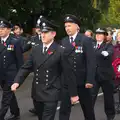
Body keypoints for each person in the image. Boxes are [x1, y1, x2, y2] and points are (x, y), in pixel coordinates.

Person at [11, 17, 74, 120]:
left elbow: (68, 74)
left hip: (52, 92)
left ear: (53, 34)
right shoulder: (36, 49)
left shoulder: (60, 51)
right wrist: (17, 81)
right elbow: (26, 68)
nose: (42, 35)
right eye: (41, 32)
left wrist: (73, 94)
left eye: (46, 32)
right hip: (37, 92)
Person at [59, 14, 96, 120]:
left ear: (77, 27)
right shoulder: (64, 41)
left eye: (69, 26)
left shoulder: (85, 40)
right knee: (64, 111)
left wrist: (89, 80)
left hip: (82, 82)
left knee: (88, 110)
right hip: (67, 83)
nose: (67, 28)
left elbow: (91, 62)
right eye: (65, 26)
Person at [0, 17, 24, 120]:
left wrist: (19, 77)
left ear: (9, 30)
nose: (0, 30)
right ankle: (15, 112)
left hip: (11, 75)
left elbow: (20, 61)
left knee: (5, 98)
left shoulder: (15, 42)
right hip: (1, 74)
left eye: (3, 28)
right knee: (10, 95)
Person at [92, 28, 115, 120]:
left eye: (100, 34)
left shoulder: (108, 46)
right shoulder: (92, 45)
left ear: (105, 36)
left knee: (108, 97)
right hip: (94, 76)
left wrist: (107, 53)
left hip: (106, 76)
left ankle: (110, 116)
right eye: (97, 33)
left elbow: (110, 52)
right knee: (91, 97)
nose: (98, 35)